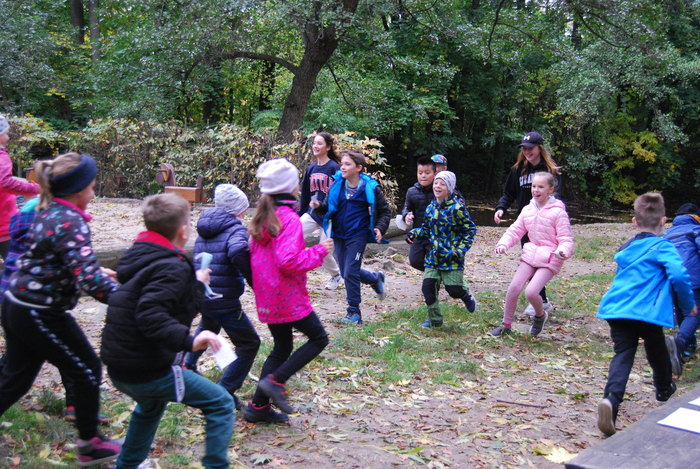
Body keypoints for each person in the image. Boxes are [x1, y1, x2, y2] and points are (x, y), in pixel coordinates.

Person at [0, 152, 121, 466]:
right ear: (78, 189)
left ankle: (90, 442)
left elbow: (52, 258)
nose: (94, 191)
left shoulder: (49, 209)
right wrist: (129, 300)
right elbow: (91, 282)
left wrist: (90, 269)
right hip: (38, 310)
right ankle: (90, 444)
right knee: (86, 368)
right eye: (92, 185)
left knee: (16, 379)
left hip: (17, 302)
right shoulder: (69, 219)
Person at [100, 193, 233, 469]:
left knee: (151, 406)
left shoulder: (140, 254)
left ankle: (127, 465)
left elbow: (158, 294)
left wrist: (195, 284)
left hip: (121, 365)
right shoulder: (172, 266)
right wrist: (190, 341)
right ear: (183, 232)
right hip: (146, 368)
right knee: (220, 402)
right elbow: (151, 315)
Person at [596, 193, 696, 437]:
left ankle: (611, 400)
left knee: (623, 354)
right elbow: (679, 275)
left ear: (634, 222)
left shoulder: (626, 248)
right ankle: (663, 388)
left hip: (618, 310)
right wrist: (688, 304)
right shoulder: (664, 247)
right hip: (646, 312)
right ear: (663, 221)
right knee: (657, 349)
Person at [244, 158, 331, 424]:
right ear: (290, 188)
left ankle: (257, 407)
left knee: (282, 347)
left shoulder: (263, 216)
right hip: (286, 296)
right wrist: (319, 251)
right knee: (318, 339)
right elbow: (288, 261)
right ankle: (276, 381)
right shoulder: (289, 219)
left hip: (268, 295)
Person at [183, 184, 260, 411]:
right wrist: (255, 281)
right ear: (238, 210)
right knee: (249, 344)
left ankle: (186, 366)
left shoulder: (206, 226)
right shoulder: (235, 229)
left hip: (204, 293)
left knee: (209, 325)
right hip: (224, 299)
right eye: (243, 209)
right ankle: (224, 391)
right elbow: (237, 251)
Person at [490, 172, 573, 337]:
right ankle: (506, 325)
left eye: (541, 187)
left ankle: (540, 316)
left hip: (550, 257)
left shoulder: (558, 213)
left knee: (531, 292)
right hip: (531, 253)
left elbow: (566, 238)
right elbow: (515, 230)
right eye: (534, 186)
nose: (536, 190)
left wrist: (563, 250)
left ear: (550, 189)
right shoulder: (528, 209)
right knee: (514, 288)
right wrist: (503, 243)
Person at [493, 132, 562, 316]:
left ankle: (541, 299)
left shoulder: (550, 171)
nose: (527, 151)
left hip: (545, 225)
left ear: (539, 148)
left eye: (530, 148)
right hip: (527, 223)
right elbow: (509, 193)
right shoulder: (518, 170)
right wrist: (501, 208)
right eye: (524, 148)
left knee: (542, 262)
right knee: (530, 260)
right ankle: (542, 299)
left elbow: (557, 197)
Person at [320, 150, 391, 325]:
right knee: (346, 272)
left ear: (358, 168)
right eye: (342, 164)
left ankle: (354, 312)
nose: (342, 167)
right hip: (338, 234)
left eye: (347, 164)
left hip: (358, 235)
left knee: (350, 272)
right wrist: (317, 207)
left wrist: (380, 228)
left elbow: (385, 211)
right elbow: (327, 207)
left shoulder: (370, 188)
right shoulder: (337, 184)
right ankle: (375, 278)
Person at [406, 171, 477, 328]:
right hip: (433, 257)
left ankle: (466, 294)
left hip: (452, 258)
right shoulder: (431, 207)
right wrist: (414, 233)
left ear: (449, 188)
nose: (437, 186)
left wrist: (459, 250)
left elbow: (470, 230)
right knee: (428, 288)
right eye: (436, 183)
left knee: (454, 290)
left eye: (442, 184)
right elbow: (426, 229)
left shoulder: (457, 208)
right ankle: (435, 320)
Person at [298, 132, 343, 289]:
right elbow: (305, 194)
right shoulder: (311, 168)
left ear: (328, 147)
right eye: (314, 143)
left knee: (324, 250)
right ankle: (293, 268)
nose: (315, 146)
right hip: (312, 214)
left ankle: (336, 276)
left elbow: (339, 193)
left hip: (329, 217)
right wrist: (300, 214)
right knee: (292, 235)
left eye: (319, 143)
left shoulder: (334, 167)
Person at [662, 202, 700, 376]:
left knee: (680, 310)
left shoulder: (668, 234)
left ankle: (687, 347)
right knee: (694, 314)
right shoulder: (695, 230)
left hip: (671, 279)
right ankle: (680, 343)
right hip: (692, 278)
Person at [0, 114, 40, 260]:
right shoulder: (1, 156)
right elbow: (4, 182)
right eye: (5, 133)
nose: (8, 137)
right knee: (18, 265)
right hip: (4, 226)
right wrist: (35, 189)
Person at [401, 156, 437, 271]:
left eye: (427, 173)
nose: (423, 176)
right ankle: (431, 273)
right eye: (420, 173)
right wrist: (406, 215)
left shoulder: (439, 190)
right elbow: (406, 208)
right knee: (414, 261)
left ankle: (432, 276)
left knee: (434, 261)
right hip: (418, 232)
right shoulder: (411, 191)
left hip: (436, 234)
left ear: (434, 174)